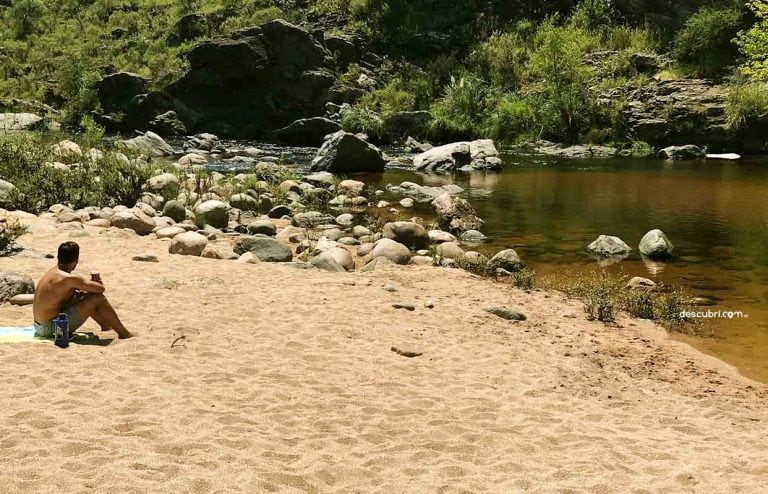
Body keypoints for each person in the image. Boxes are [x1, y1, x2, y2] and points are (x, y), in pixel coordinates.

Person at [33, 241, 132, 339]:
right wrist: (97, 282)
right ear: (76, 260)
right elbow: (100, 289)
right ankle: (124, 333)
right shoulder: (67, 278)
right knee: (97, 298)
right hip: (51, 329)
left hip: (39, 326)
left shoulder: (52, 273)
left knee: (82, 297)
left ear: (58, 257)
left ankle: (105, 325)